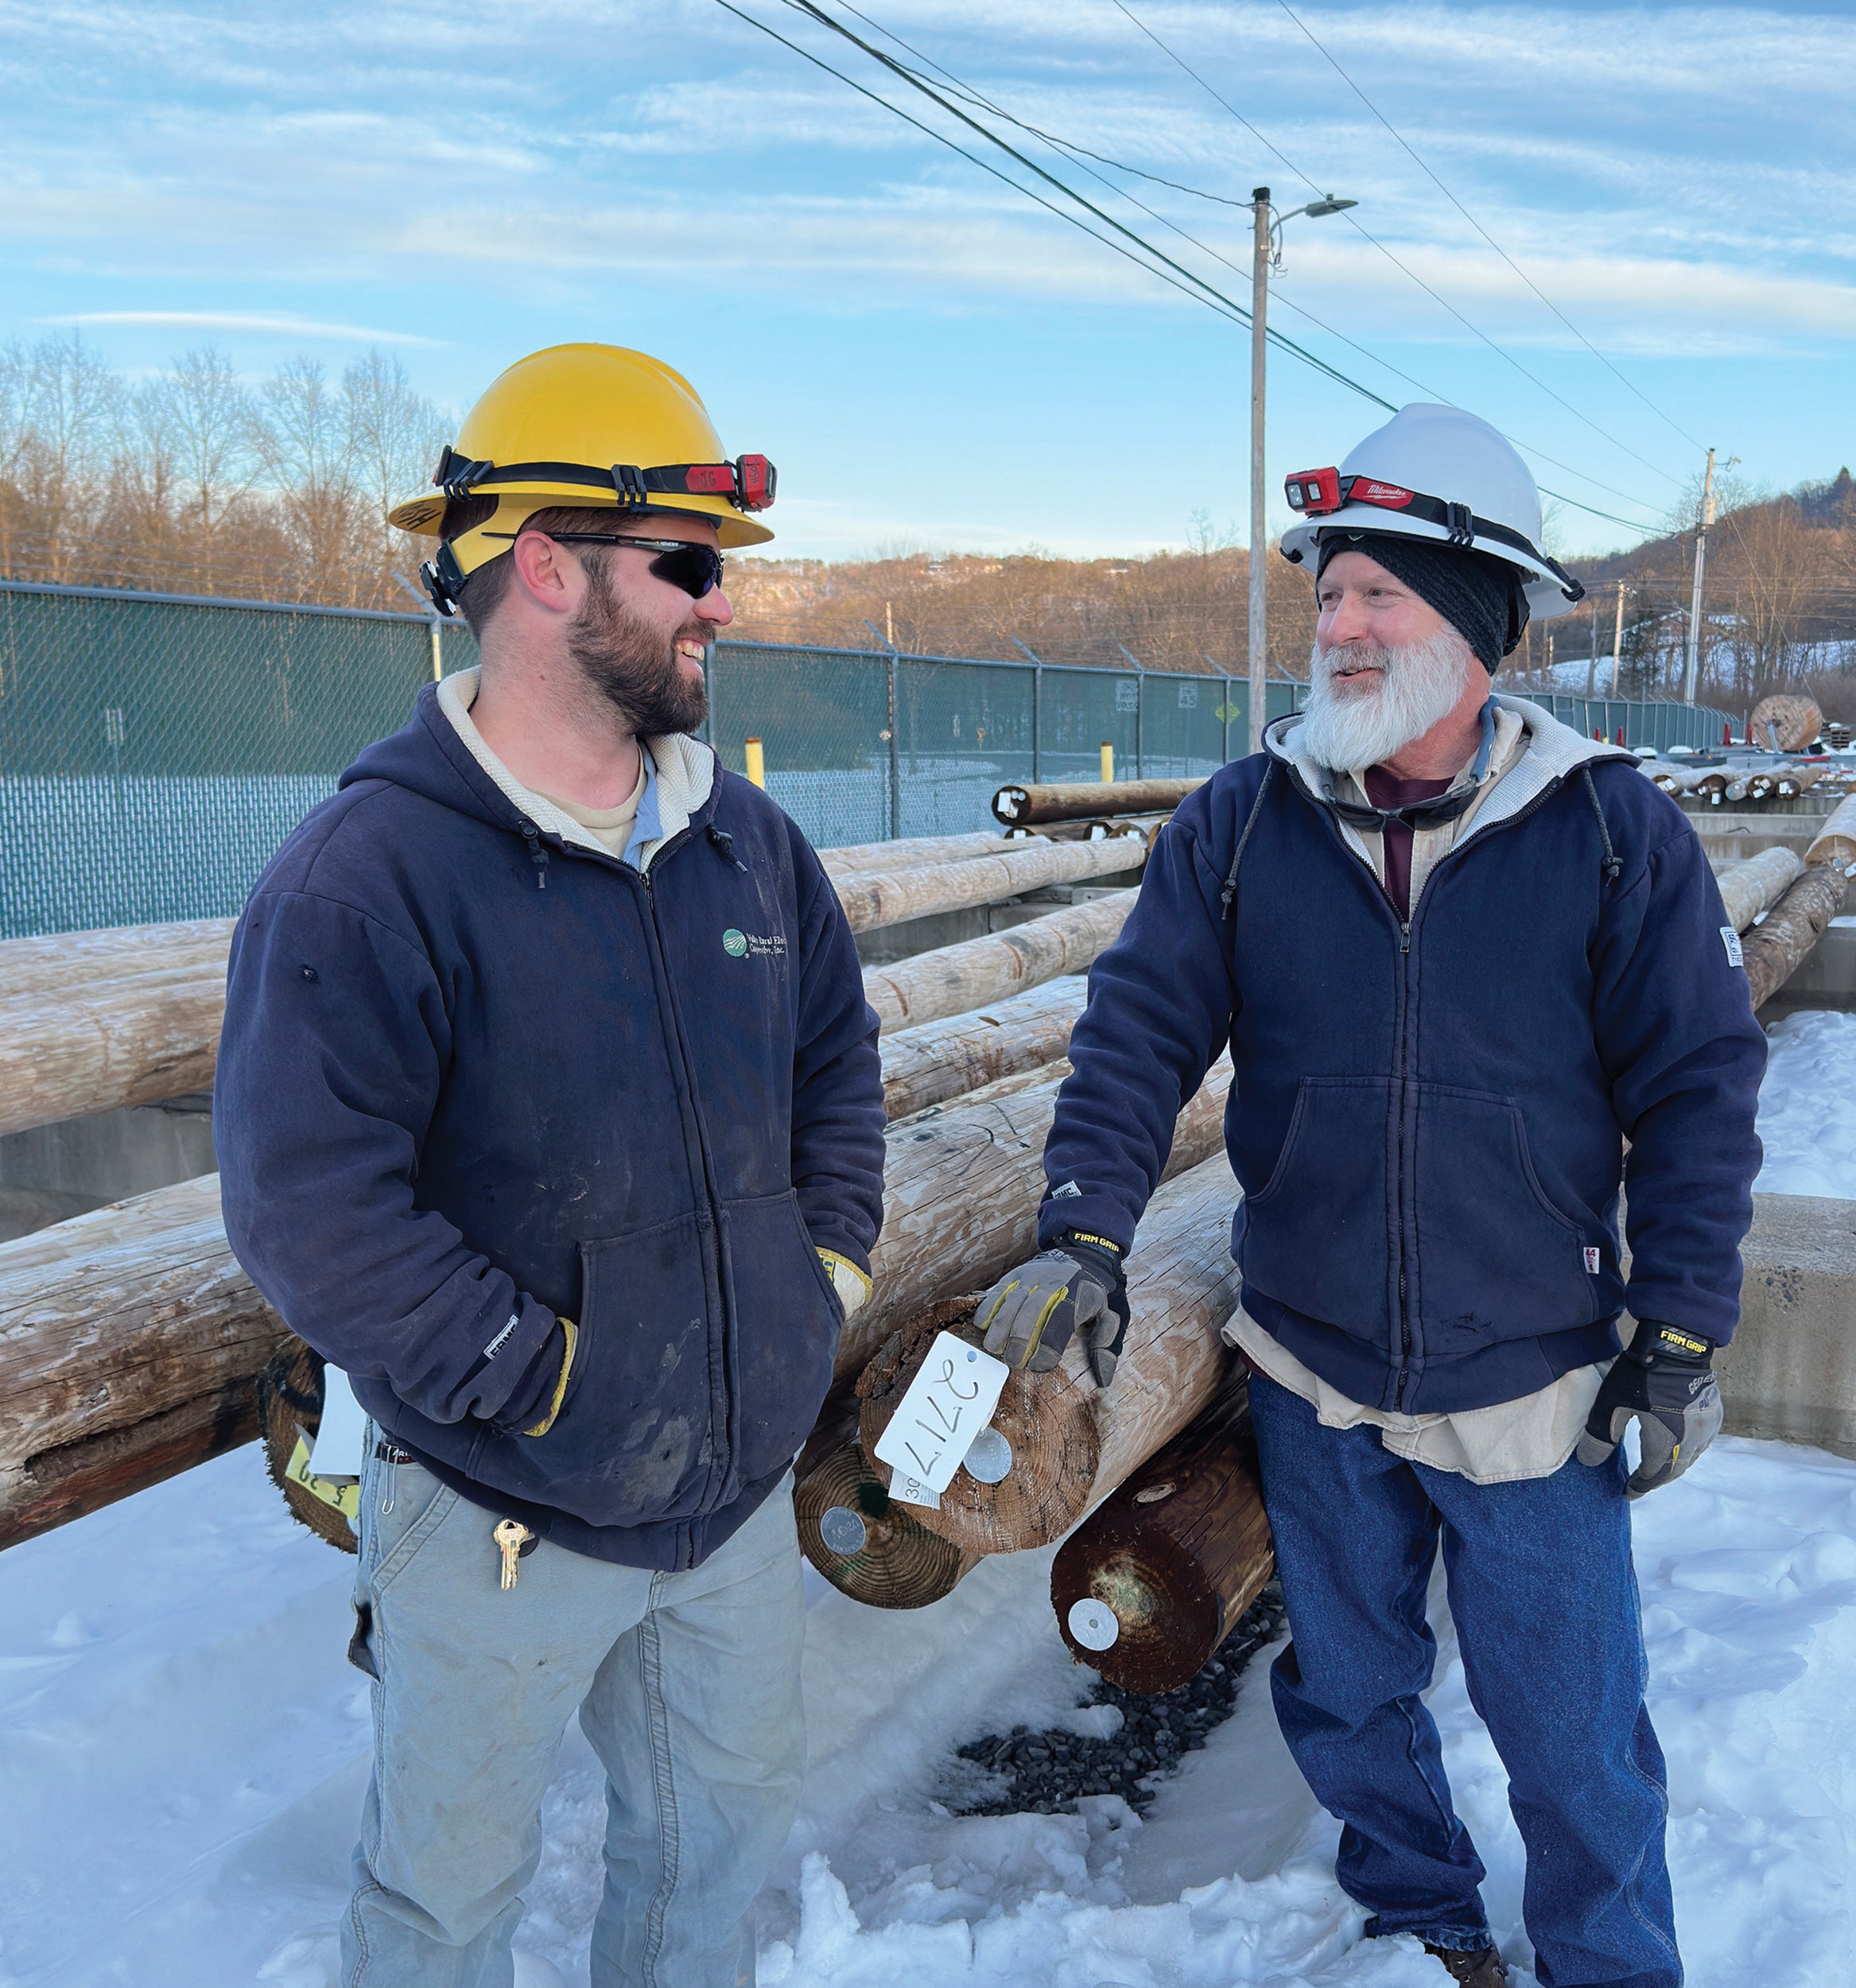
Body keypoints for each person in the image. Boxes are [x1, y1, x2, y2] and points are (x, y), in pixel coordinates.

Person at [977, 404, 1763, 1988]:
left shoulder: (1611, 835)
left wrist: (1679, 1328)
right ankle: (1423, 1925)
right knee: (1347, 1694)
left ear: (1474, 623)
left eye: (1374, 596)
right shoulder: (1243, 824)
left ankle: (1612, 1963)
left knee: (1576, 1733)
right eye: (1327, 593)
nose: (1334, 625)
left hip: (1534, 1375)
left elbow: (1697, 1093)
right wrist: (1082, 1220)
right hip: (1315, 1366)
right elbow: (1137, 1033)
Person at [215, 344, 886, 1988]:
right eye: (687, 563)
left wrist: (821, 1287)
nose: (720, 602)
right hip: (496, 1511)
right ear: (542, 567)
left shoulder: (750, 844)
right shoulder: (369, 879)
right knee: (443, 1910)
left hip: (724, 1503)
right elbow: (308, 1202)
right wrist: (539, 1375)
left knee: (708, 1877)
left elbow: (838, 1071)